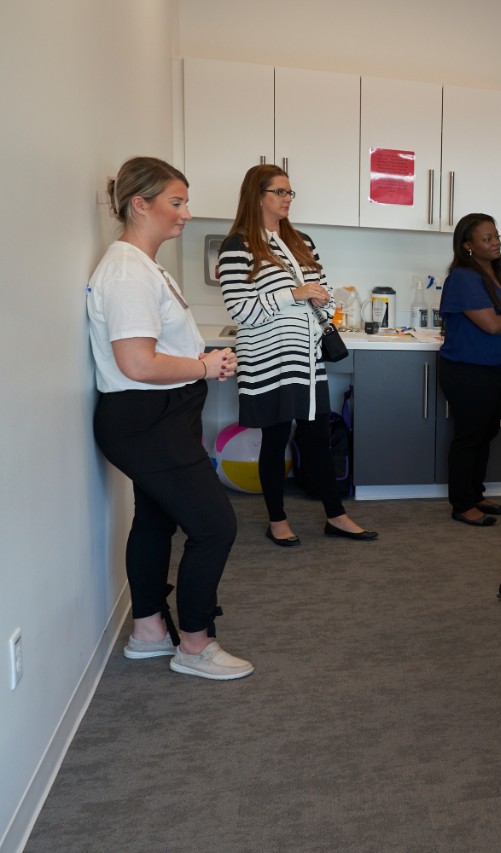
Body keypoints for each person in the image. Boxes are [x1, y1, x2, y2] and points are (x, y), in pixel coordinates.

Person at [87, 157, 252, 680]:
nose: (185, 214)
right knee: (215, 526)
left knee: (155, 519)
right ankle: (196, 646)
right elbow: (136, 361)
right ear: (141, 204)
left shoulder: (142, 265)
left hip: (156, 417)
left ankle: (149, 631)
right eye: (175, 202)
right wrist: (204, 365)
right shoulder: (127, 273)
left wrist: (200, 364)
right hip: (146, 420)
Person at [219, 164, 376, 546]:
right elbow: (240, 310)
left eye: (290, 193)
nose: (287, 199)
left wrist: (323, 296)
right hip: (268, 360)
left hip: (307, 360)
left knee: (316, 437)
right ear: (258, 196)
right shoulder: (237, 246)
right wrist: (295, 294)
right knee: (274, 440)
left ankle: (335, 515)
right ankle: (277, 519)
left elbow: (319, 289)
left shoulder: (302, 241)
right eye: (280, 192)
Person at [438, 213, 501, 526]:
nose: (495, 243)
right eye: (486, 239)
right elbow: (492, 324)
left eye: (495, 236)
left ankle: (476, 492)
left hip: (497, 368)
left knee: (487, 433)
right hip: (467, 371)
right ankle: (462, 504)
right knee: (469, 435)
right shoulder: (464, 277)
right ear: (468, 246)